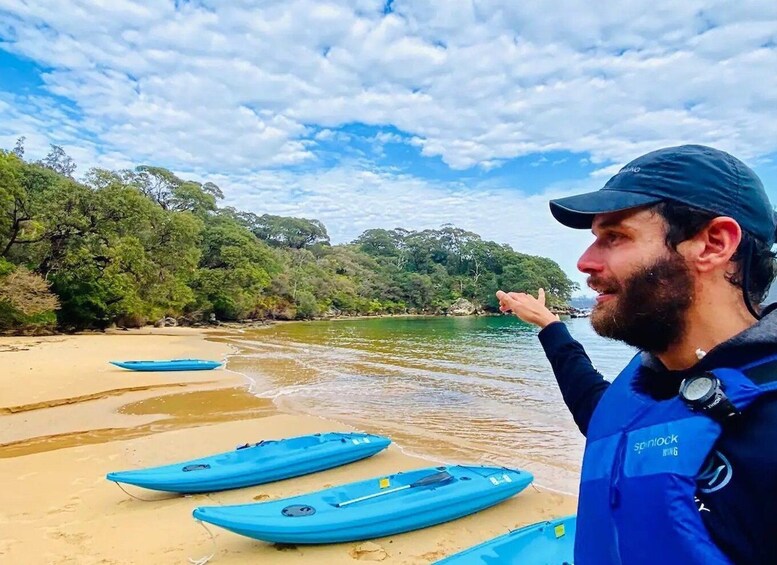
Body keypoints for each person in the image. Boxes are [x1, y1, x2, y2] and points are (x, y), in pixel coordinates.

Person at [496, 144, 777, 565]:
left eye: (615, 236)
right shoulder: (650, 379)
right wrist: (549, 326)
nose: (584, 262)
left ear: (714, 243)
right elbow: (606, 417)